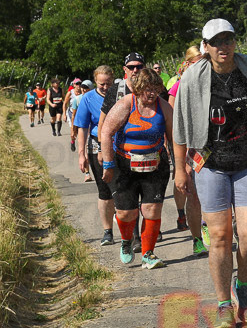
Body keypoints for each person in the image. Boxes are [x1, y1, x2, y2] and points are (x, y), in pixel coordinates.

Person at [172, 19, 247, 328]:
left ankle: (243, 286)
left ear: (235, 42)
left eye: (228, 40)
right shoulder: (193, 78)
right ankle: (223, 304)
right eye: (216, 41)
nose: (223, 47)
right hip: (209, 163)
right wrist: (180, 169)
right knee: (220, 236)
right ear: (205, 46)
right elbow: (180, 128)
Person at [99, 67, 174, 269]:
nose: (151, 94)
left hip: (155, 165)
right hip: (124, 166)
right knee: (126, 213)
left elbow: (175, 138)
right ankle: (126, 241)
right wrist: (108, 164)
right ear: (138, 89)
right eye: (147, 89)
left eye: (155, 89)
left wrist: (182, 165)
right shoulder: (126, 104)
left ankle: (148, 253)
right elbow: (106, 132)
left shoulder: (164, 108)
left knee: (152, 209)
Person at [168, 46, 208, 257]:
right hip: (189, 146)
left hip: (212, 145)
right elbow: (173, 123)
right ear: (188, 64)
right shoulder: (178, 87)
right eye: (197, 62)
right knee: (193, 195)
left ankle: (210, 225)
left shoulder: (214, 82)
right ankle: (197, 239)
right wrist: (179, 160)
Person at [75, 68, 116, 245]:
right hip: (95, 145)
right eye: (102, 84)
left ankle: (133, 230)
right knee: (105, 189)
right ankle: (108, 231)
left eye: (108, 83)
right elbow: (82, 127)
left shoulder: (121, 94)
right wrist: (81, 154)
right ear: (95, 82)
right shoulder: (88, 98)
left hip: (119, 144)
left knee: (125, 188)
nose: (105, 87)